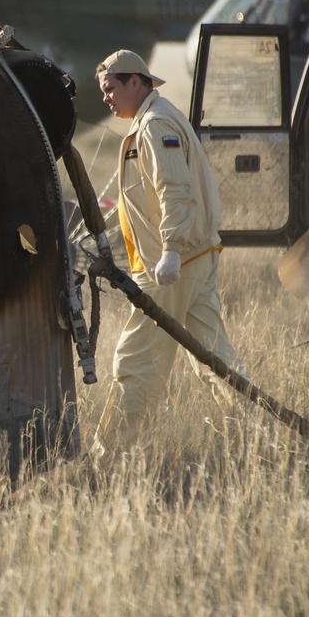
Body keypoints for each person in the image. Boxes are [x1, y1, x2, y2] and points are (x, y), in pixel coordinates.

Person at [92, 49, 240, 448]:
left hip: (173, 264)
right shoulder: (150, 121)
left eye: (111, 89)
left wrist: (171, 249)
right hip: (190, 258)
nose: (106, 98)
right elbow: (142, 198)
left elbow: (174, 190)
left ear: (135, 82)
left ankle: (110, 453)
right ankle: (247, 436)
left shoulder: (156, 126)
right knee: (214, 358)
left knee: (134, 359)